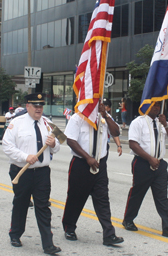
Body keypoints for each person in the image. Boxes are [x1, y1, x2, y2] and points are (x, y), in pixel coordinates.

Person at [2, 93, 61, 255]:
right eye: (35, 106)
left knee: (43, 206)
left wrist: (54, 143)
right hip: (22, 172)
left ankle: (48, 244)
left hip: (42, 172)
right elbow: (7, 146)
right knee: (21, 204)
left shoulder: (48, 124)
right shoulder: (17, 123)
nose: (39, 109)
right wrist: (25, 156)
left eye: (41, 106)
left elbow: (59, 145)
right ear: (27, 106)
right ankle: (15, 234)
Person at [62, 102, 124, 246]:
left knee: (103, 199)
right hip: (81, 164)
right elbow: (70, 140)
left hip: (100, 165)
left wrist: (106, 115)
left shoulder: (103, 118)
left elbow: (116, 132)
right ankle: (69, 227)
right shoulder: (77, 118)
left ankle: (109, 234)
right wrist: (87, 157)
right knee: (76, 198)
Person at [122, 101, 168, 238]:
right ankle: (128, 219)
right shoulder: (139, 122)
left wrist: (166, 124)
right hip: (143, 163)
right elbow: (133, 144)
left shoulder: (161, 123)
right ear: (146, 106)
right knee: (138, 193)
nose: (156, 108)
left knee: (162, 198)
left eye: (158, 106)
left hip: (160, 165)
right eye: (154, 105)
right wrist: (149, 158)